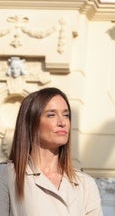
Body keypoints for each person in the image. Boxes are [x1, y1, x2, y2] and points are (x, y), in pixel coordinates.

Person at [0, 87, 103, 215]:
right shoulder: (6, 175)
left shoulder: (85, 184)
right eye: (51, 115)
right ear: (31, 123)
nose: (62, 122)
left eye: (66, 115)